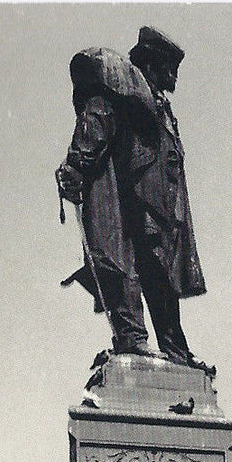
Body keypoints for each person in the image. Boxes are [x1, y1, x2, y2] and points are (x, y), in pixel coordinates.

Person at [56, 27, 210, 374]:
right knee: (122, 268)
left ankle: (175, 350)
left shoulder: (160, 107)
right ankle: (132, 340)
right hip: (128, 206)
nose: (173, 79)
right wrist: (78, 165)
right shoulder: (122, 89)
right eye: (171, 70)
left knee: (162, 278)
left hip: (159, 214)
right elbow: (96, 121)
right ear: (153, 65)